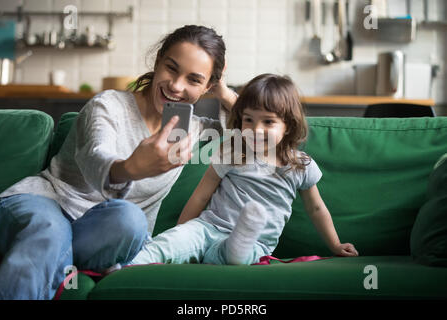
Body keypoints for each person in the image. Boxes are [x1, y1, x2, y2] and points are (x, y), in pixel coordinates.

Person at [0, 25, 237, 299]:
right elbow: (96, 157)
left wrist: (224, 91)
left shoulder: (192, 131)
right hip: (48, 204)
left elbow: (258, 135)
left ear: (207, 86)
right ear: (158, 61)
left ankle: (52, 261)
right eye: (171, 68)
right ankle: (65, 265)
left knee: (130, 219)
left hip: (100, 232)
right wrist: (130, 168)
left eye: (194, 80)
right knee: (50, 231)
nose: (176, 85)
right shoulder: (109, 105)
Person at [131, 73, 359, 266]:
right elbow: (201, 196)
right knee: (169, 243)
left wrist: (336, 244)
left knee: (236, 253)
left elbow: (316, 208)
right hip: (207, 228)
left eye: (268, 122)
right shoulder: (232, 152)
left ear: (288, 125)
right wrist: (182, 232)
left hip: (255, 243)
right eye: (248, 120)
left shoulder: (300, 165)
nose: (256, 130)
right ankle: (129, 264)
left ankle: (240, 237)